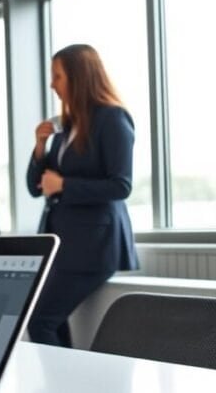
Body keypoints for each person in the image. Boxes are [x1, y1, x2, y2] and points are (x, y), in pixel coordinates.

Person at [26, 44, 139, 347]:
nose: (52, 85)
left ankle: (62, 390)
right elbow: (34, 186)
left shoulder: (113, 119)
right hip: (64, 246)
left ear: (79, 77)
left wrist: (64, 186)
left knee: (40, 321)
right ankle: (61, 389)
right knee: (49, 320)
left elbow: (121, 186)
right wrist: (40, 146)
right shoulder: (68, 126)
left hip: (94, 247)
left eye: (57, 77)